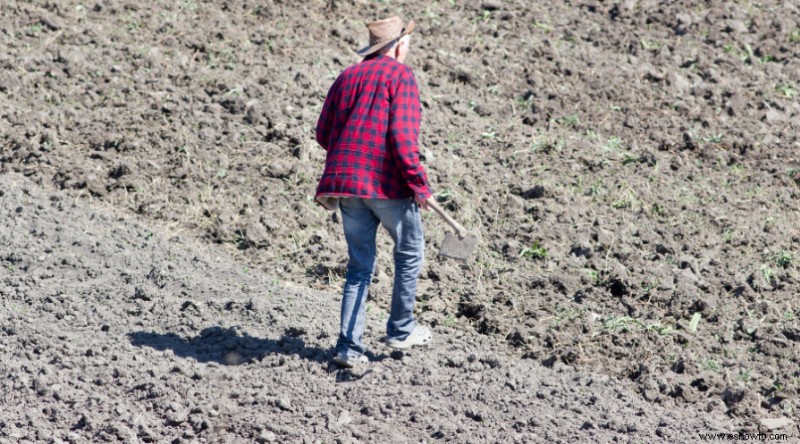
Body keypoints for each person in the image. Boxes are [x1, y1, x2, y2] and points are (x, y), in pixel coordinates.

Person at [314, 16, 434, 367]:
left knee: (359, 267)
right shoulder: (401, 76)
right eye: (407, 41)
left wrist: (350, 157)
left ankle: (349, 348)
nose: (409, 47)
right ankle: (401, 329)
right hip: (386, 186)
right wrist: (419, 185)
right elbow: (401, 138)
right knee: (410, 251)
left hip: (345, 185)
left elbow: (324, 132)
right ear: (397, 45)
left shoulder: (346, 77)